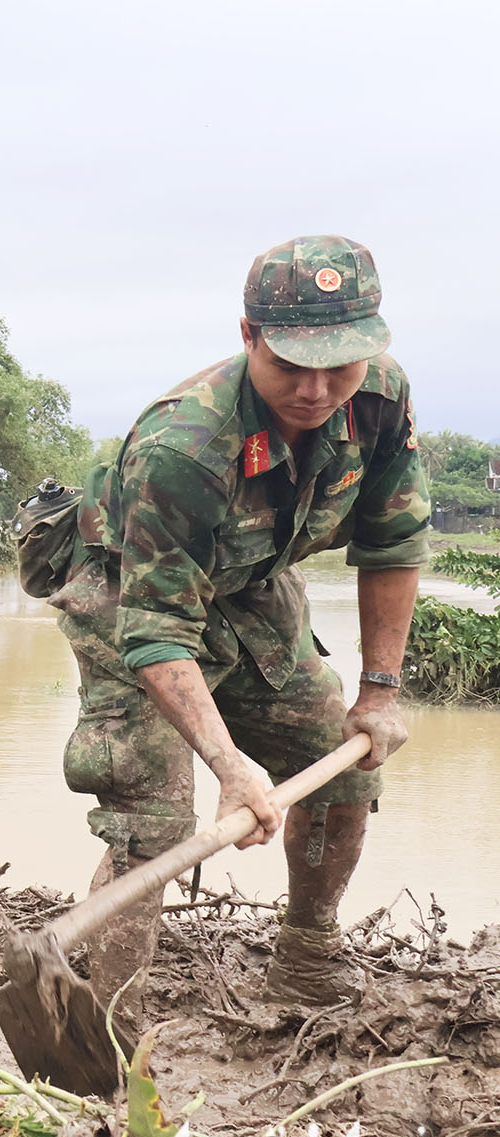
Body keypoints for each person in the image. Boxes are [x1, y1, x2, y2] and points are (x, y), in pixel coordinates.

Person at [47, 235, 429, 1009]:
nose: (318, 390)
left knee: (339, 757)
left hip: (251, 581)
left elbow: (393, 542)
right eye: (291, 363)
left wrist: (380, 689)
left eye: (340, 364)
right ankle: (108, 1016)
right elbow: (155, 628)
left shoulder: (382, 398)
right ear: (249, 336)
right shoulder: (184, 446)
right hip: (131, 586)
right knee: (150, 810)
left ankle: (307, 956)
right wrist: (229, 766)